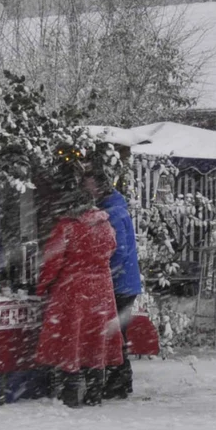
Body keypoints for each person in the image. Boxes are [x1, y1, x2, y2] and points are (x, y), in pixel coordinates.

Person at [34, 181, 124, 407]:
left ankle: (71, 393)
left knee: (72, 339)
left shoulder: (67, 227)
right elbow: (111, 249)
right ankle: (95, 391)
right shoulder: (106, 225)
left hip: (73, 289)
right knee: (96, 339)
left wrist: (42, 285)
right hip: (102, 288)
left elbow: (52, 261)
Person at [84, 171, 142, 400]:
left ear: (100, 188)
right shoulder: (116, 208)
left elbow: (117, 251)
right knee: (118, 332)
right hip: (125, 281)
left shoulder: (112, 214)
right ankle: (121, 380)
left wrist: (103, 270)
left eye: (90, 186)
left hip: (120, 283)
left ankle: (119, 381)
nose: (88, 191)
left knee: (115, 333)